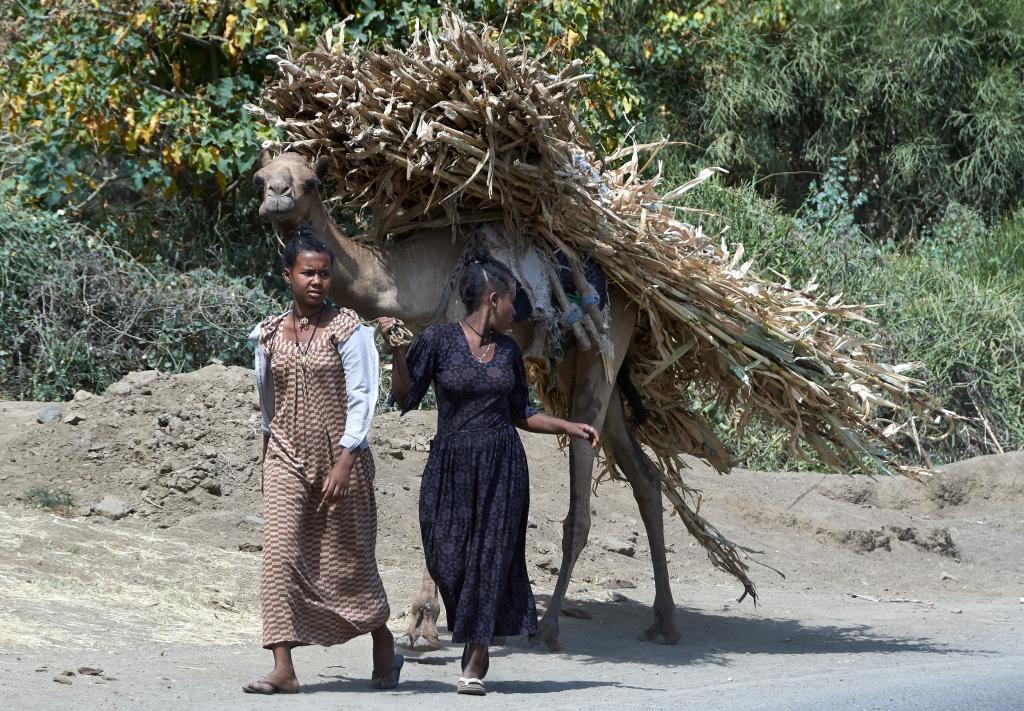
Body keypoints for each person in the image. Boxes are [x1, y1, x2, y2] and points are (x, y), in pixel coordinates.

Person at [382, 248, 599, 696]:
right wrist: (398, 353)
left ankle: (475, 661)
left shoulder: (508, 350)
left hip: (503, 467)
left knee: (492, 558)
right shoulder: (438, 341)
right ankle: (475, 629)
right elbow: (405, 397)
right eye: (512, 301)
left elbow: (522, 411)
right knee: (446, 554)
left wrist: (568, 426)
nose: (514, 311)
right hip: (451, 464)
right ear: (493, 299)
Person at [243, 228, 402, 695]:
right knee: (278, 554)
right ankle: (283, 666)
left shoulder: (348, 329)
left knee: (347, 562)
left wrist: (345, 457)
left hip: (341, 458)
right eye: (307, 272)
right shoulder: (268, 333)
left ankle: (381, 636)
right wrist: (271, 446)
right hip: (286, 456)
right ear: (288, 275)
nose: (317, 281)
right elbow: (267, 398)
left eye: (324, 274)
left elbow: (363, 397)